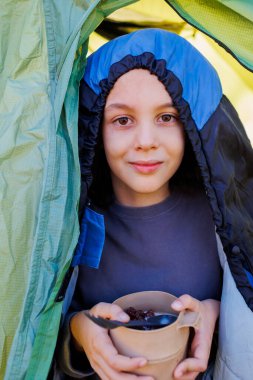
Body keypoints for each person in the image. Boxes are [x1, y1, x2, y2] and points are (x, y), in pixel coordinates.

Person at [55, 29, 253, 380]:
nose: (145, 141)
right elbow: (41, 318)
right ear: (94, 126)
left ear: (193, 125)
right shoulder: (70, 219)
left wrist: (215, 313)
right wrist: (80, 331)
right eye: (122, 120)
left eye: (166, 117)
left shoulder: (222, 214)